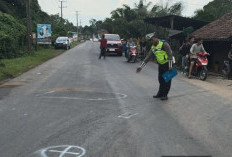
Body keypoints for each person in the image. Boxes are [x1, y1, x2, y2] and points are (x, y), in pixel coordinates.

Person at [136, 34, 173, 100]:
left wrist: (170, 66)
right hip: (161, 64)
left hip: (168, 64)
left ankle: (165, 95)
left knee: (167, 80)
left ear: (156, 38)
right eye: (150, 41)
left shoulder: (164, 44)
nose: (151, 41)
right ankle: (160, 93)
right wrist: (141, 67)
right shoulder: (153, 47)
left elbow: (170, 55)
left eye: (152, 39)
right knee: (160, 79)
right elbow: (148, 57)